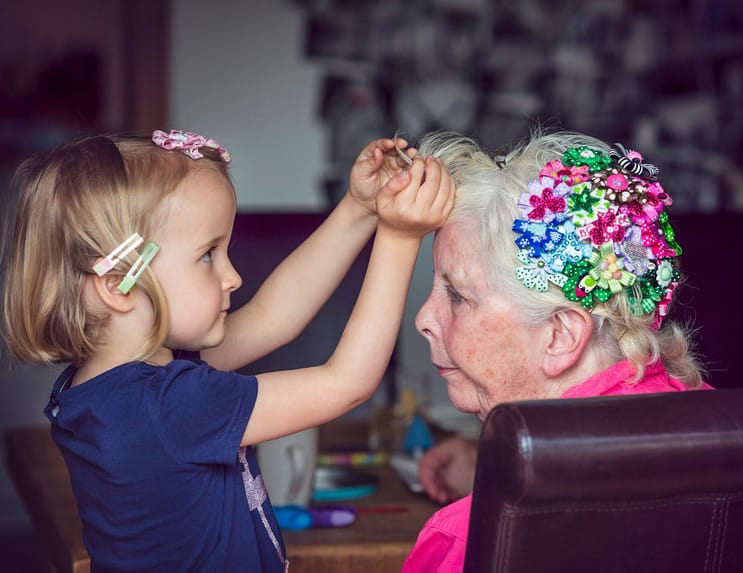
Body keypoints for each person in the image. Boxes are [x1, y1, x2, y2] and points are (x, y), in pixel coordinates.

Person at [1, 129, 453, 572]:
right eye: (207, 254)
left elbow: (273, 318)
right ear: (120, 285)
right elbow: (347, 384)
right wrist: (400, 238)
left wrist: (358, 210)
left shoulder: (129, 383)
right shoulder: (168, 405)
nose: (232, 275)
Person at [401, 129, 711, 572]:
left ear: (561, 335)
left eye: (457, 296)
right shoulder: (728, 442)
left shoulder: (471, 541)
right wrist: (490, 467)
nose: (424, 319)